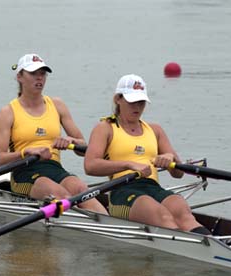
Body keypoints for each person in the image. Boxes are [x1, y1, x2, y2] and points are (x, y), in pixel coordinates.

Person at [84, 74, 210, 234]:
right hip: (122, 191)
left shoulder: (155, 130)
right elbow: (90, 166)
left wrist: (170, 159)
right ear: (118, 99)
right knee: (162, 215)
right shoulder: (105, 128)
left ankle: (212, 244)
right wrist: (128, 164)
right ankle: (187, 246)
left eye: (141, 102)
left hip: (153, 188)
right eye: (132, 101)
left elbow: (178, 174)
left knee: (181, 210)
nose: (137, 107)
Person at [0, 53, 107, 215]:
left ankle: (114, 229)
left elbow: (83, 148)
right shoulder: (8, 113)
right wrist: (26, 152)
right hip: (24, 173)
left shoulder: (57, 105)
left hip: (55, 168)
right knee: (61, 195)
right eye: (33, 73)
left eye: (42, 74)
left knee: (82, 190)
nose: (39, 78)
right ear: (19, 77)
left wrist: (70, 140)